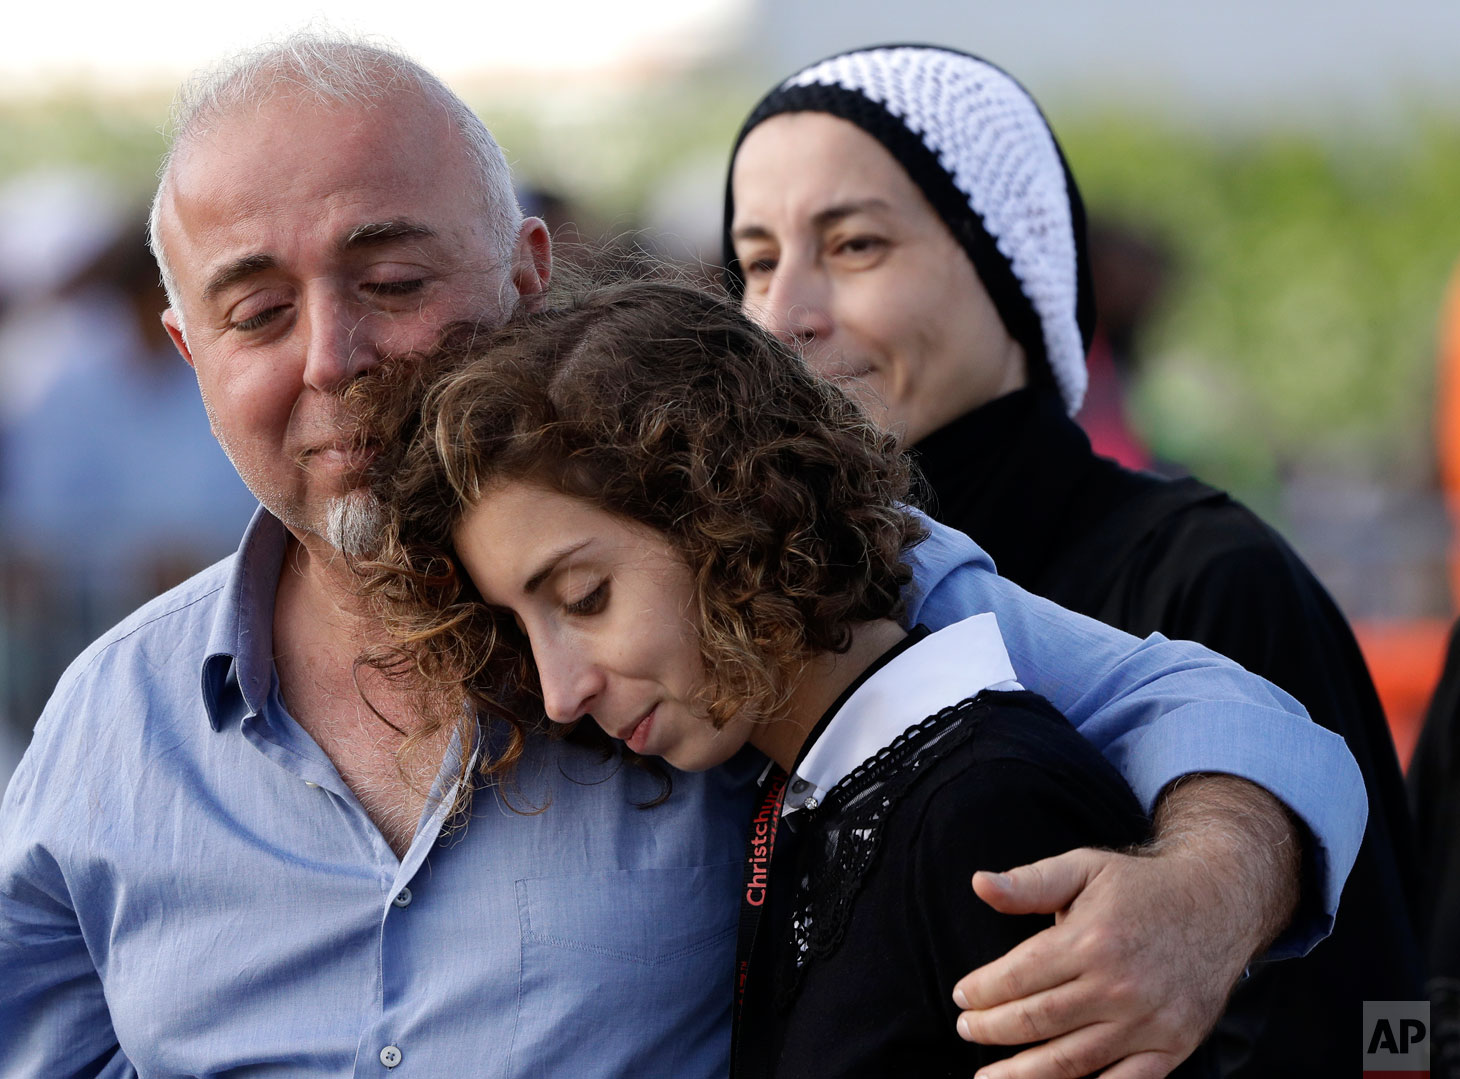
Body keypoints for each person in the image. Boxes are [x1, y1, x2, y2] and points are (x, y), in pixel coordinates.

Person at [0, 32, 1363, 1078]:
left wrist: (1208, 885)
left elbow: (1197, 701)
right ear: (187, 354)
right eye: (257, 311)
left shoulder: (752, 579)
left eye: (393, 282)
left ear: (527, 272)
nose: (336, 360)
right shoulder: (107, 729)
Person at [721, 43, 1421, 1075]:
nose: (785, 315)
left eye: (857, 245)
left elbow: (1385, 1021)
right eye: (759, 261)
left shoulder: (1209, 573)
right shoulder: (763, 591)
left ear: (1014, 267)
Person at [351, 278, 1210, 1078]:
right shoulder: (803, 797)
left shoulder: (987, 803)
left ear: (737, 506)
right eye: (522, 626)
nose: (558, 691)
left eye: (585, 596)